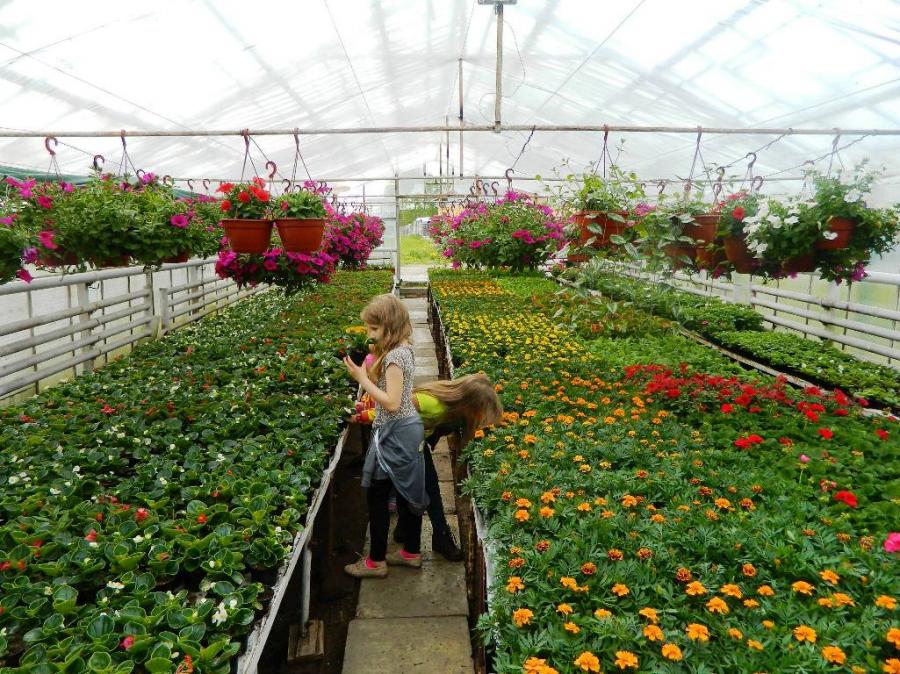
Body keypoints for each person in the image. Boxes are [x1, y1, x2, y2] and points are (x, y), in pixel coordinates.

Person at [351, 373, 503, 561]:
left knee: (419, 485)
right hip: (395, 442)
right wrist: (363, 417)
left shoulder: (451, 410)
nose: (479, 417)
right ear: (468, 403)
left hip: (410, 441)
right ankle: (424, 540)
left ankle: (411, 531)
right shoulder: (432, 403)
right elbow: (395, 409)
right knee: (417, 487)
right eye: (479, 411)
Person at [343, 294, 426, 578]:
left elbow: (391, 403)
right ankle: (411, 552)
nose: (370, 335)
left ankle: (376, 561)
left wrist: (362, 379)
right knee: (407, 492)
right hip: (405, 428)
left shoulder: (393, 358)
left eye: (374, 329)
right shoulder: (405, 348)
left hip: (396, 431)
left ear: (389, 326)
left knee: (378, 495)